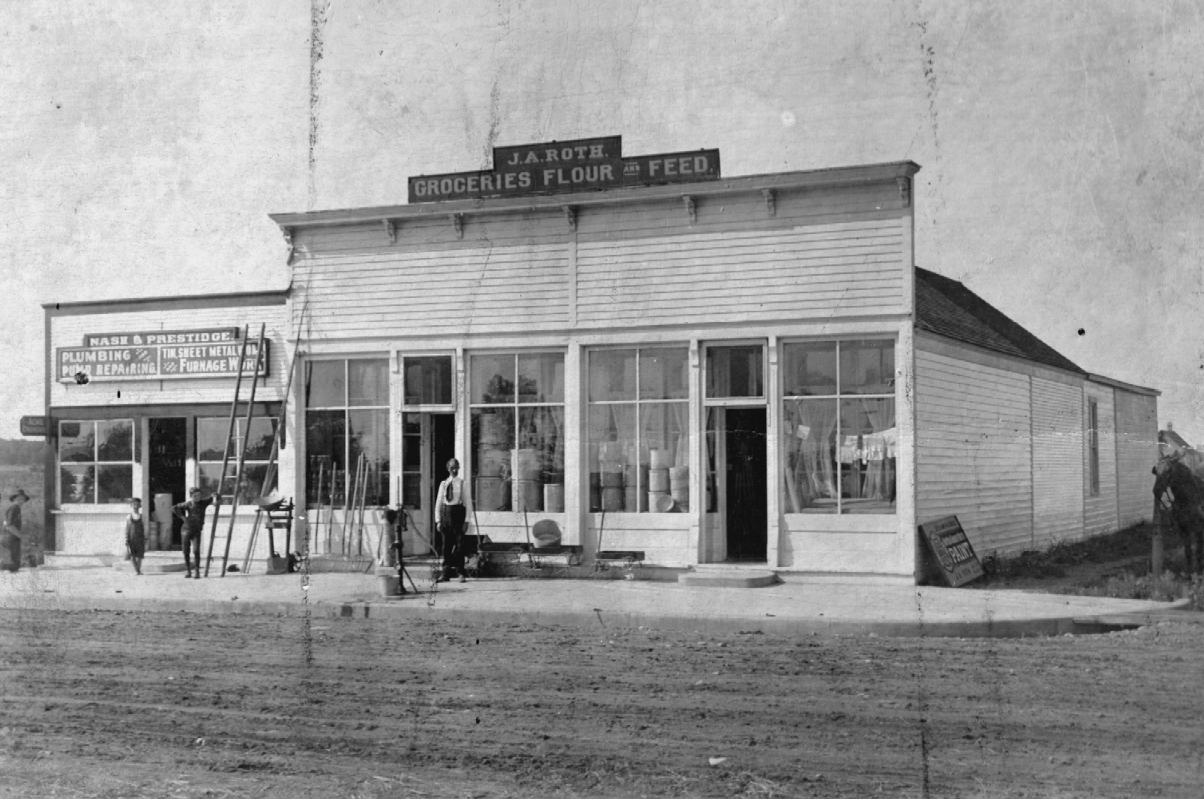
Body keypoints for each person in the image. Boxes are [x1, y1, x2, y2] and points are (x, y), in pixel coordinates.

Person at [1153, 454, 1204, 575]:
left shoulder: (1181, 475)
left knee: (1195, 539)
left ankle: (1196, 566)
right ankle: (1194, 568)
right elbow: (1158, 489)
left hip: (1189, 509)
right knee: (1193, 539)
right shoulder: (1176, 474)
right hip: (1187, 509)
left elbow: (1158, 490)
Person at [433, 458, 468, 583]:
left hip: (458, 516)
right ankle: (445, 573)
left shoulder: (463, 483)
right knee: (446, 546)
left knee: (459, 546)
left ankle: (460, 572)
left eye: (456, 468)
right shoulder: (443, 484)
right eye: (452, 468)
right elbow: (438, 504)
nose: (455, 470)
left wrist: (467, 521)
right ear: (448, 469)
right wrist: (438, 520)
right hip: (446, 517)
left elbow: (468, 504)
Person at [173, 488, 214, 578]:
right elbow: (174, 507)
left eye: (199, 495)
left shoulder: (203, 503)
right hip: (186, 529)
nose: (197, 497)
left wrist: (215, 495)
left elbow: (213, 496)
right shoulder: (189, 504)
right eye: (195, 496)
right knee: (186, 551)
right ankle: (188, 571)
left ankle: (197, 571)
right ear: (191, 496)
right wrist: (183, 517)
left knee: (196, 551)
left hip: (197, 530)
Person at [1, 489, 29, 573]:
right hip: (10, 537)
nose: (21, 501)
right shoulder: (14, 508)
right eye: (19, 499)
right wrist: (22, 536)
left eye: (23, 499)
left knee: (15, 564)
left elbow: (6, 523)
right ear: (14, 499)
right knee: (14, 565)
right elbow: (9, 526)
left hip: (12, 537)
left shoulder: (16, 509)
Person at [125, 497, 146, 576]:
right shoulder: (129, 517)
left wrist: (145, 538)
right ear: (131, 505)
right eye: (134, 504)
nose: (136, 506)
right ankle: (137, 571)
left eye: (137, 504)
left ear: (140, 506)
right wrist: (126, 539)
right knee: (132, 556)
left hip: (140, 538)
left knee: (140, 555)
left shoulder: (142, 516)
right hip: (131, 539)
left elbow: (145, 527)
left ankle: (138, 570)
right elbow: (126, 529)